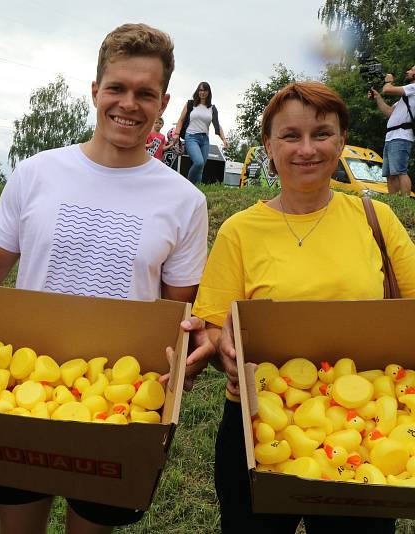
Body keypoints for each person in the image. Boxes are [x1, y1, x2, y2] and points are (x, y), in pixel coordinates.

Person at [0, 22, 214, 534]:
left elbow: (180, 311)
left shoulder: (184, 201)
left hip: (118, 405)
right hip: (22, 392)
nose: (128, 103)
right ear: (95, 90)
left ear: (163, 101)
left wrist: (189, 358)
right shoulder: (37, 173)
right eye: (117, 88)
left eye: (144, 93)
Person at [193, 81, 415, 534]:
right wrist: (222, 348)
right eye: (291, 136)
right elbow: (212, 325)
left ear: (341, 140)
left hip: (364, 425)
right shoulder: (240, 231)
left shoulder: (376, 219)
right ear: (269, 147)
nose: (307, 149)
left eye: (322, 133)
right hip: (258, 424)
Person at [168, 81, 229, 184]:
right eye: (200, 90)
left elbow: (217, 125)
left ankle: (197, 189)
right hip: (191, 137)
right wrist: (177, 134)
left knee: (201, 168)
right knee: (199, 162)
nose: (202, 92)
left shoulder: (212, 108)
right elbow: (181, 120)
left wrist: (224, 139)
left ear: (209, 92)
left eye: (205, 90)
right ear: (198, 91)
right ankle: (188, 185)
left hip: (204, 139)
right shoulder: (190, 104)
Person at [370, 64, 415, 197]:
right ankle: (394, 202)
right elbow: (389, 112)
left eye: (411, 70)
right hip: (391, 137)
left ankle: (405, 202)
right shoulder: (405, 97)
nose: (407, 71)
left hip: (402, 136)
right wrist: (378, 97)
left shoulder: (413, 88)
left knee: (401, 171)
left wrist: (389, 81)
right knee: (390, 174)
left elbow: (387, 89)